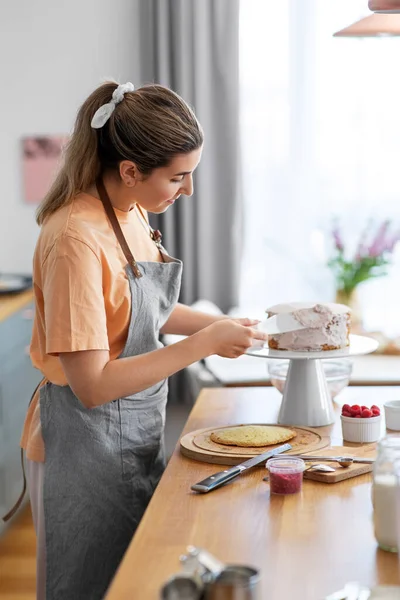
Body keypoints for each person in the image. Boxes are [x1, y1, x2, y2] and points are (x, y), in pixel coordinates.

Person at [18, 81, 267, 599]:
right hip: (81, 448)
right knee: (83, 587)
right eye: (178, 177)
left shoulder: (131, 212)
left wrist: (219, 328)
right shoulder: (74, 241)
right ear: (130, 171)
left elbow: (141, 309)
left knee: (125, 581)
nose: (188, 190)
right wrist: (202, 345)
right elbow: (92, 384)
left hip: (131, 435)